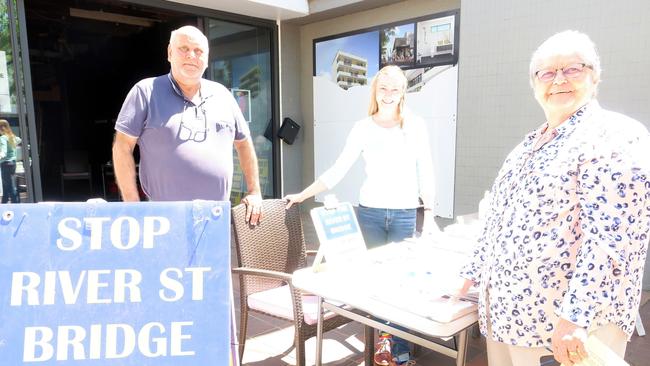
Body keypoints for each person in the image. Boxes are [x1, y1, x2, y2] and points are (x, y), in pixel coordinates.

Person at [455, 30, 650, 366]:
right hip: (508, 322)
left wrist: (576, 319)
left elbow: (613, 238)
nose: (559, 79)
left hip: (566, 331)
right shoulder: (527, 147)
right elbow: (496, 222)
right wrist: (466, 280)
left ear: (595, 76)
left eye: (573, 69)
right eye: (547, 72)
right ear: (535, 85)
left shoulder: (614, 135)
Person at [112, 26, 262, 224]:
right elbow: (122, 147)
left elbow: (243, 143)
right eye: (184, 48)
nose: (192, 55)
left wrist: (255, 191)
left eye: (199, 51)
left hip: (215, 219)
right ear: (169, 53)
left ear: (207, 60)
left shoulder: (223, 95)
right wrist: (133, 205)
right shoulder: (146, 92)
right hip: (163, 219)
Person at [285, 65, 438, 248]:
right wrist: (303, 195)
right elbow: (338, 169)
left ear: (402, 93)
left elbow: (425, 171)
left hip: (405, 215)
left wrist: (429, 215)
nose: (388, 95)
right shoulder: (362, 128)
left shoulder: (415, 125)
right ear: (375, 91)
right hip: (370, 214)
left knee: (399, 273)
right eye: (383, 88)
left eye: (394, 89)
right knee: (372, 273)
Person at [0, 119, 21, 203]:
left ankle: (16, 204)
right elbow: (19, 140)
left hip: (6, 164)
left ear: (1, 128)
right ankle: (4, 204)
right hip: (12, 163)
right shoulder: (11, 137)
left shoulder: (3, 138)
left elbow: (3, 153)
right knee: (6, 186)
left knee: (9, 187)